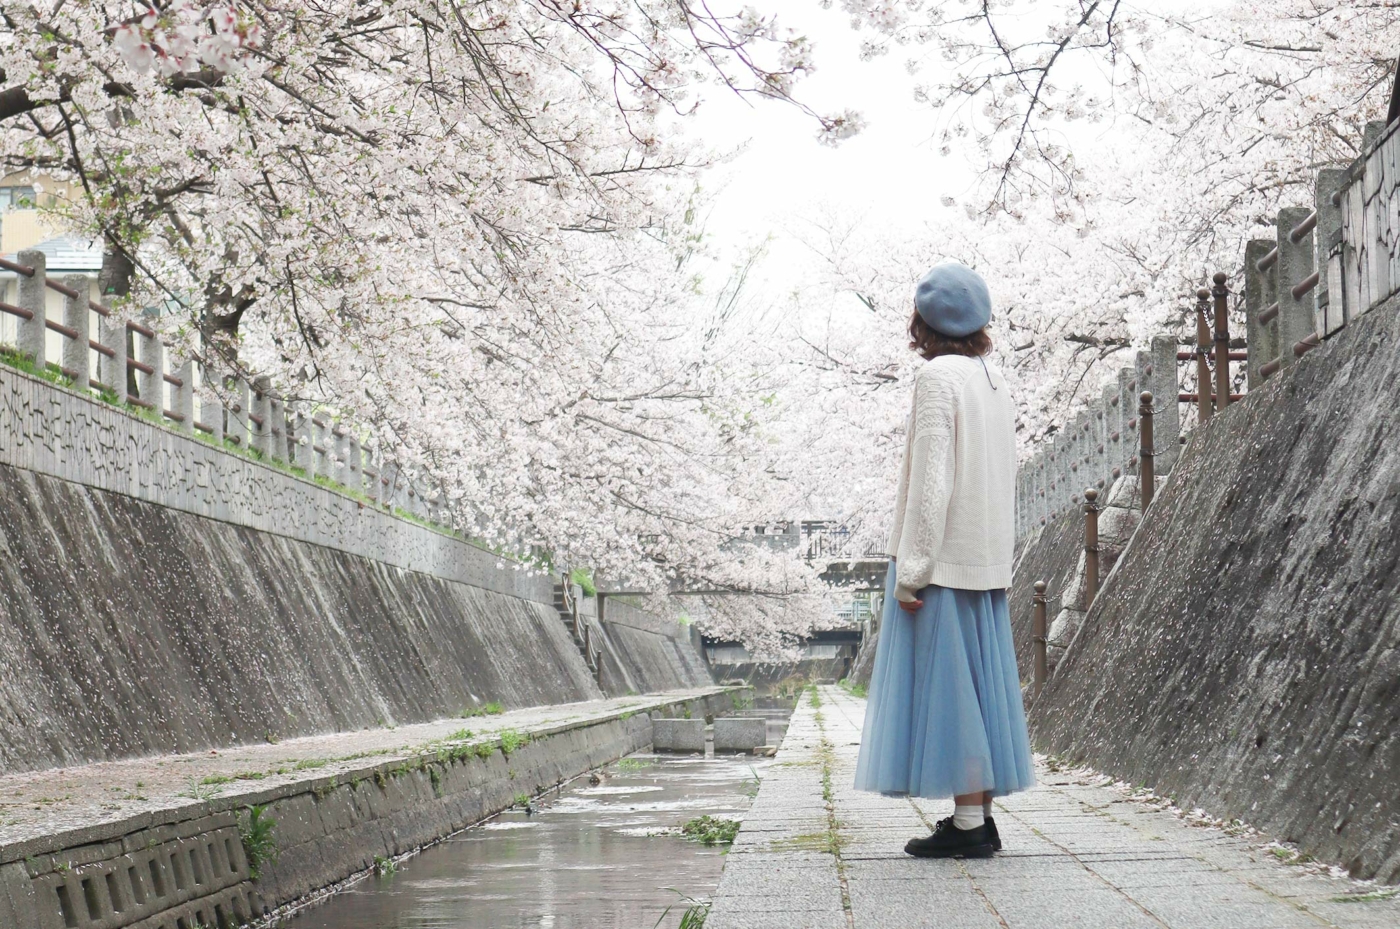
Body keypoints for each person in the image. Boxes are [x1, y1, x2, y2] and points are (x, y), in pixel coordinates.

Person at [852, 262, 1035, 859]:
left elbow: (933, 481)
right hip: (985, 558)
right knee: (980, 692)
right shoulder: (993, 379)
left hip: (944, 561)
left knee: (952, 694)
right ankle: (976, 816)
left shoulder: (937, 381)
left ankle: (967, 826)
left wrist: (912, 568)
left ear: (923, 323)